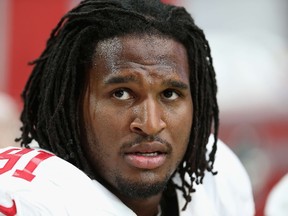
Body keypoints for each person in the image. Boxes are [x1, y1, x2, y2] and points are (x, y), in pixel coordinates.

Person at [0, 0, 255, 215]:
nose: (151, 123)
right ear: (70, 104)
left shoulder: (217, 176)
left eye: (169, 94)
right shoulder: (32, 196)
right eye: (121, 94)